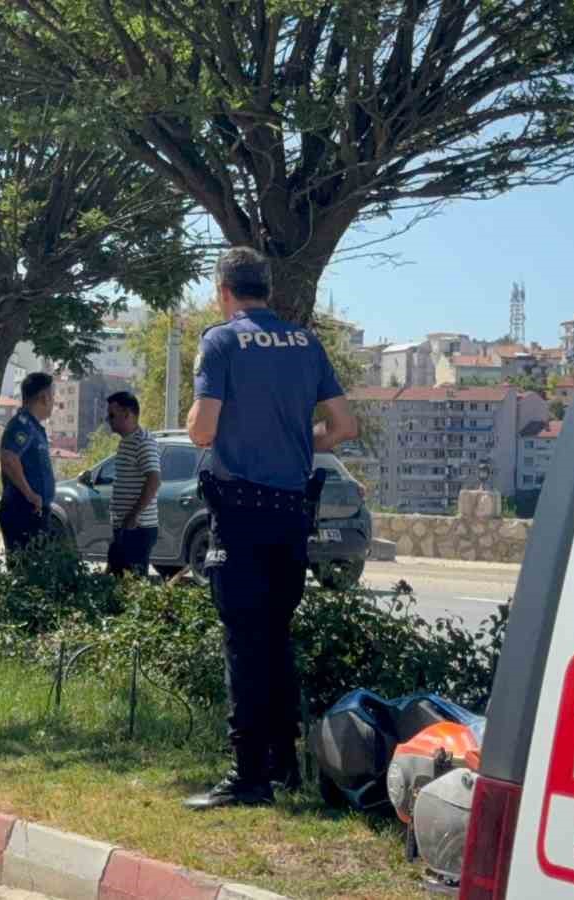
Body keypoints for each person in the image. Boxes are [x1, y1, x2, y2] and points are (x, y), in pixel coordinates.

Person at [182, 247, 359, 811]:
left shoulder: (221, 341)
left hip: (239, 512)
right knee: (277, 636)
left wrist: (195, 420)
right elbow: (344, 425)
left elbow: (202, 430)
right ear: (268, 289)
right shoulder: (305, 343)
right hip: (290, 513)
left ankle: (247, 775)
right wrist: (303, 441)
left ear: (224, 291)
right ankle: (284, 763)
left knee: (243, 640)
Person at [0, 373, 57, 556]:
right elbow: (9, 458)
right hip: (23, 510)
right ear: (44, 397)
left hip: (34, 511)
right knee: (26, 566)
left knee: (38, 566)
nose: (54, 401)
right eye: (53, 395)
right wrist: (30, 494)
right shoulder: (23, 425)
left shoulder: (33, 426)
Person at [105, 392, 161, 577]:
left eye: (112, 415)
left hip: (137, 527)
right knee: (119, 576)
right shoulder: (126, 442)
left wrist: (133, 515)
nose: (108, 420)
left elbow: (154, 479)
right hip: (126, 525)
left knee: (132, 581)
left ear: (127, 413)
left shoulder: (143, 441)